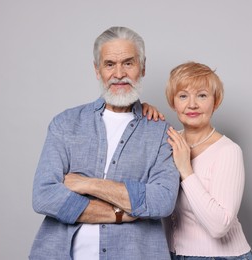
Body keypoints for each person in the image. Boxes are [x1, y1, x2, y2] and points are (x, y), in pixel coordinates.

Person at [29, 26, 180, 260]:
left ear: (143, 67)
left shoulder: (161, 132)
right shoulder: (65, 123)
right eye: (110, 64)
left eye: (128, 63)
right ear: (97, 70)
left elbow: (161, 201)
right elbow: (44, 195)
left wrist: (87, 184)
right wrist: (121, 213)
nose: (119, 73)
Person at [163, 62, 252, 260]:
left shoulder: (228, 151)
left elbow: (219, 226)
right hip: (173, 254)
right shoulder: (168, 143)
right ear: (173, 102)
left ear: (216, 101)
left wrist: (186, 170)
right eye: (183, 96)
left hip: (221, 257)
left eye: (202, 95)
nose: (192, 104)